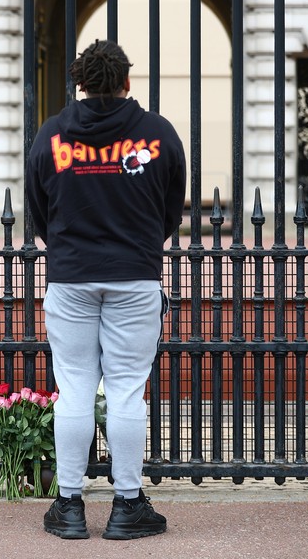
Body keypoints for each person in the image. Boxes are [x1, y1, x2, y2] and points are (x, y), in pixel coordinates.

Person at [25, 39, 186, 541]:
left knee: (73, 388)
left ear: (79, 82)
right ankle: (127, 504)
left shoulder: (51, 136)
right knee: (126, 391)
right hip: (134, 276)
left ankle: (69, 505)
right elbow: (171, 209)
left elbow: (38, 210)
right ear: (127, 82)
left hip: (71, 276)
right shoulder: (158, 134)